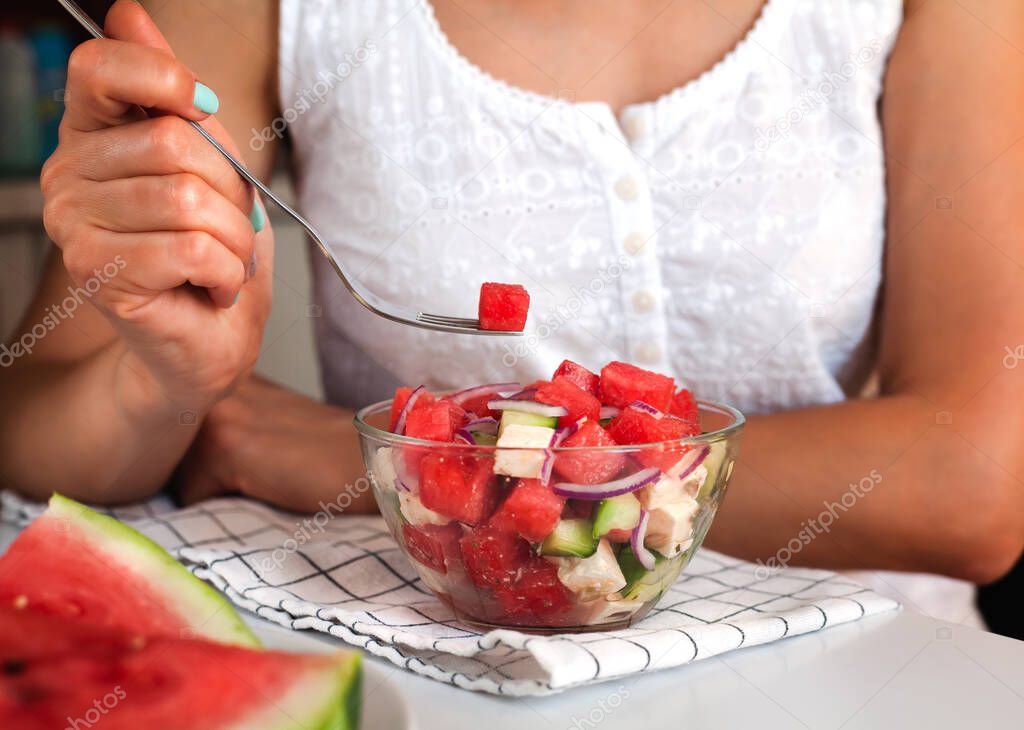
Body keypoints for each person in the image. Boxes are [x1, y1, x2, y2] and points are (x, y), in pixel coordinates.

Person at [1, 0, 1021, 630]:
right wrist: (162, 382)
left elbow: (975, 485)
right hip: (439, 678)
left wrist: (356, 467)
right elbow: (36, 442)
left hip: (876, 677)